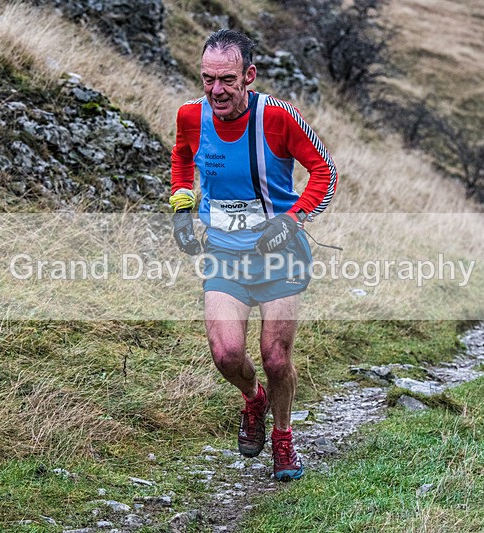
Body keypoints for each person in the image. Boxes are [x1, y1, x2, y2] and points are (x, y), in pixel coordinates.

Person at [169, 29, 337, 481]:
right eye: (207, 80)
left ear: (249, 75)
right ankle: (253, 399)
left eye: (226, 79)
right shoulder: (190, 115)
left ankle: (283, 439)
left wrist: (293, 219)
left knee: (276, 356)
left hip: (279, 253)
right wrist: (183, 210)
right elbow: (182, 160)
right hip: (224, 252)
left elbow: (325, 172)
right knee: (226, 355)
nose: (216, 91)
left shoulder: (278, 118)